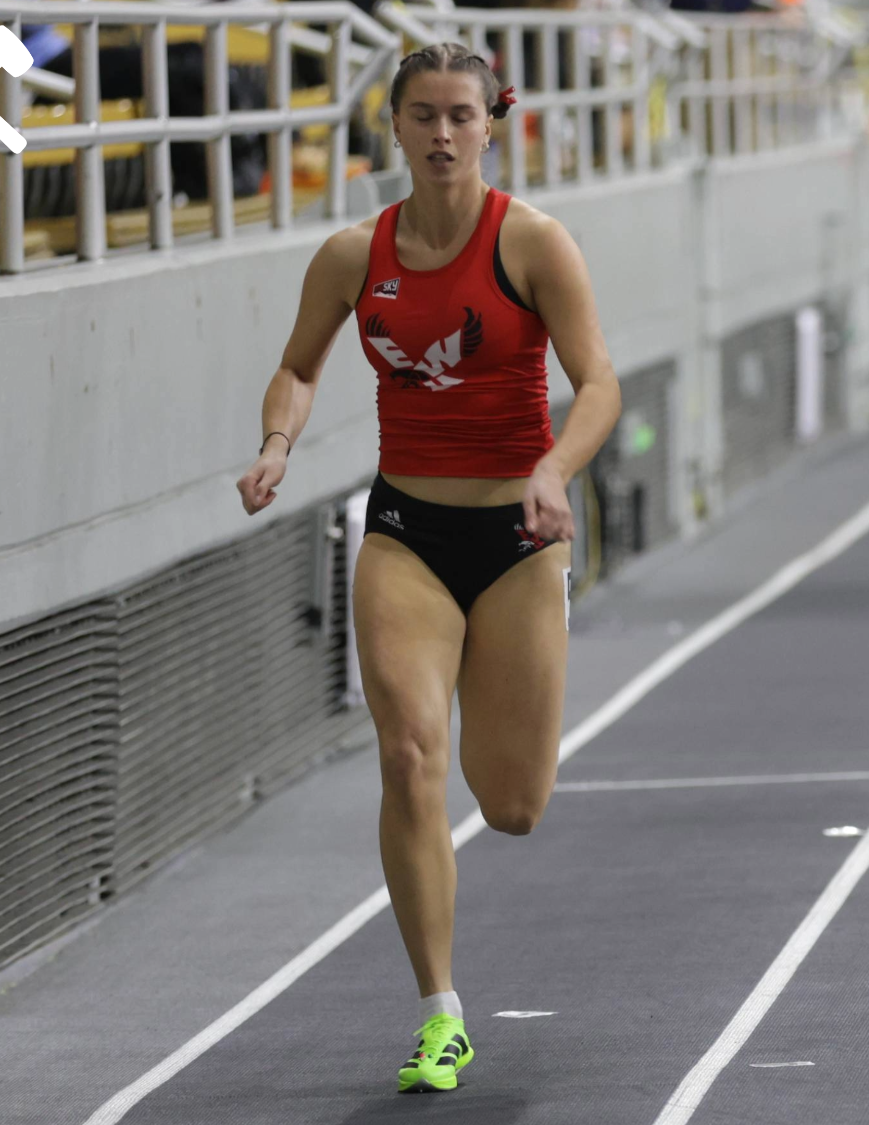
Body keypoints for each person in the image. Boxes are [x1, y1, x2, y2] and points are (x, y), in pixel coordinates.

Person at [234, 42, 621, 1092]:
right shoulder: (354, 255)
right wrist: (276, 443)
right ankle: (440, 1012)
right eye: (421, 116)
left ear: (493, 122)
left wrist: (554, 469)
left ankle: (457, 945)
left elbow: (598, 385)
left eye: (460, 115)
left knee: (511, 805)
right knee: (408, 754)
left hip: (517, 542)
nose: (441, 134)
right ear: (394, 127)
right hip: (404, 529)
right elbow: (298, 365)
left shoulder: (533, 244)